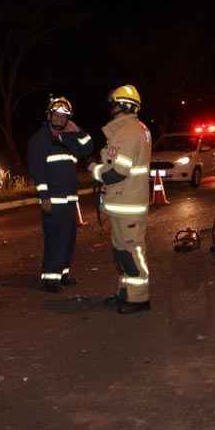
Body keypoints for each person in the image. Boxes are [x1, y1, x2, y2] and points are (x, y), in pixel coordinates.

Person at [91, 85, 152, 314]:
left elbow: (117, 172)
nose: (111, 108)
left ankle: (138, 298)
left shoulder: (128, 132)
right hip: (124, 202)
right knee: (122, 252)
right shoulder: (134, 129)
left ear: (123, 105)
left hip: (128, 204)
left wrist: (94, 170)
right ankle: (126, 291)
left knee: (131, 252)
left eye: (114, 103)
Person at [27, 95, 94, 292]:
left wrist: (77, 130)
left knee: (68, 237)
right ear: (49, 115)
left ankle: (63, 274)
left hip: (70, 199)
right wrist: (44, 196)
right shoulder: (40, 139)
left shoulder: (69, 137)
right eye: (55, 114)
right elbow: (37, 170)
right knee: (55, 238)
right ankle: (50, 279)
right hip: (53, 200)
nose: (59, 118)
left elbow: (88, 147)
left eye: (63, 116)